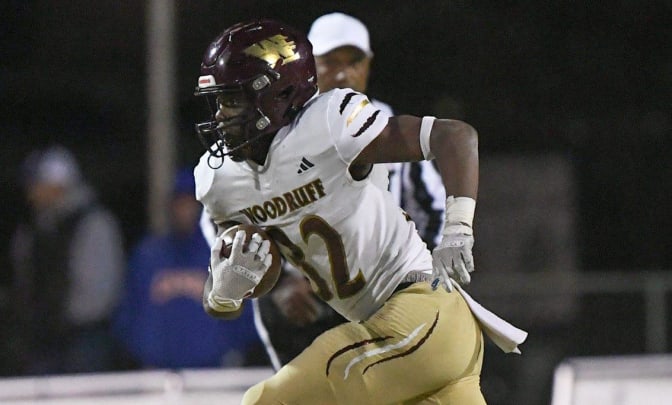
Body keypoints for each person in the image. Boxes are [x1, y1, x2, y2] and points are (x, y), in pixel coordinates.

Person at [193, 19, 526, 404]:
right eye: (218, 101)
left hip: (419, 313)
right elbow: (235, 285)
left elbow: (455, 136)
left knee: (265, 402)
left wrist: (458, 229)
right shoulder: (219, 181)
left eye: (231, 99)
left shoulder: (331, 122)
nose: (219, 115)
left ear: (279, 94)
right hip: (413, 337)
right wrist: (225, 293)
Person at [252, 12, 447, 370]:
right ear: (308, 66)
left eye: (353, 61)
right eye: (330, 62)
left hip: (380, 297)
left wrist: (417, 283)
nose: (343, 74)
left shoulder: (396, 134)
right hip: (302, 299)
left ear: (368, 65)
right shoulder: (275, 136)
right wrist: (276, 283)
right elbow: (228, 223)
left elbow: (438, 212)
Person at [113, 168, 265, 369]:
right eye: (178, 203)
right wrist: (144, 351)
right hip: (156, 373)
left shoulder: (224, 255)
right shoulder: (148, 256)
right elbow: (126, 315)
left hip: (213, 372)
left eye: (189, 204)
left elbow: (247, 318)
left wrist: (228, 350)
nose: (183, 210)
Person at [8, 145, 125, 374]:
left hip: (83, 337)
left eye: (37, 183)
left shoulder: (94, 223)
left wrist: (61, 318)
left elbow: (99, 293)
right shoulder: (34, 229)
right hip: (42, 336)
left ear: (57, 185)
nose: (31, 192)